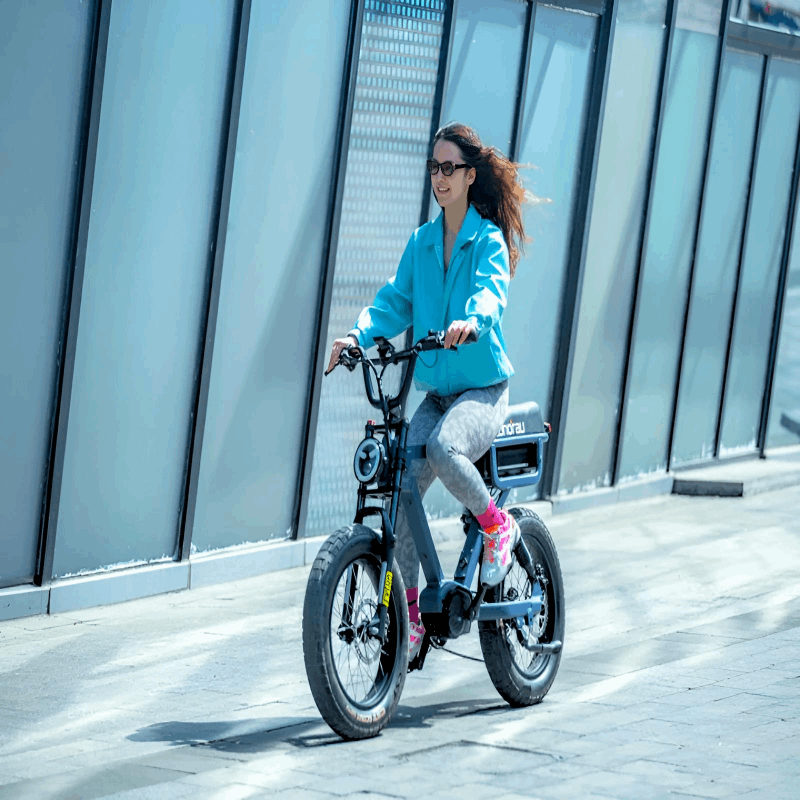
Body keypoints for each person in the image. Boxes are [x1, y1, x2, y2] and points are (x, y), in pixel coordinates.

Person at [326, 122, 527, 662]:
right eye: (433, 168)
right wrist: (356, 337)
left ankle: (496, 525)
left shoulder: (485, 240)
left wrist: (472, 322)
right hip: (438, 395)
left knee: (442, 449)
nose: (439, 178)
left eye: (449, 168)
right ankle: (412, 615)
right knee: (401, 486)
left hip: (483, 390)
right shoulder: (421, 243)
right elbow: (394, 302)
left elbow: (491, 293)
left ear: (469, 175)